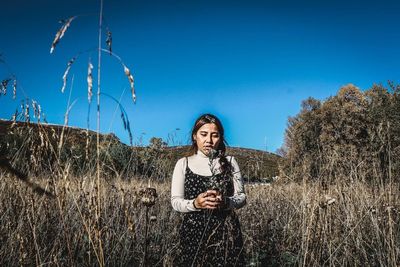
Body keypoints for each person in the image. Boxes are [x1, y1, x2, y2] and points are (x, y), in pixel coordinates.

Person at [171, 113, 246, 266]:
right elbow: (175, 201)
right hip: (193, 233)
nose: (209, 141)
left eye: (215, 135)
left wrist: (226, 202)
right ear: (194, 136)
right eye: (203, 134)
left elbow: (242, 197)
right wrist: (195, 204)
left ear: (220, 137)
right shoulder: (183, 163)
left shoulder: (231, 162)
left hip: (226, 231)